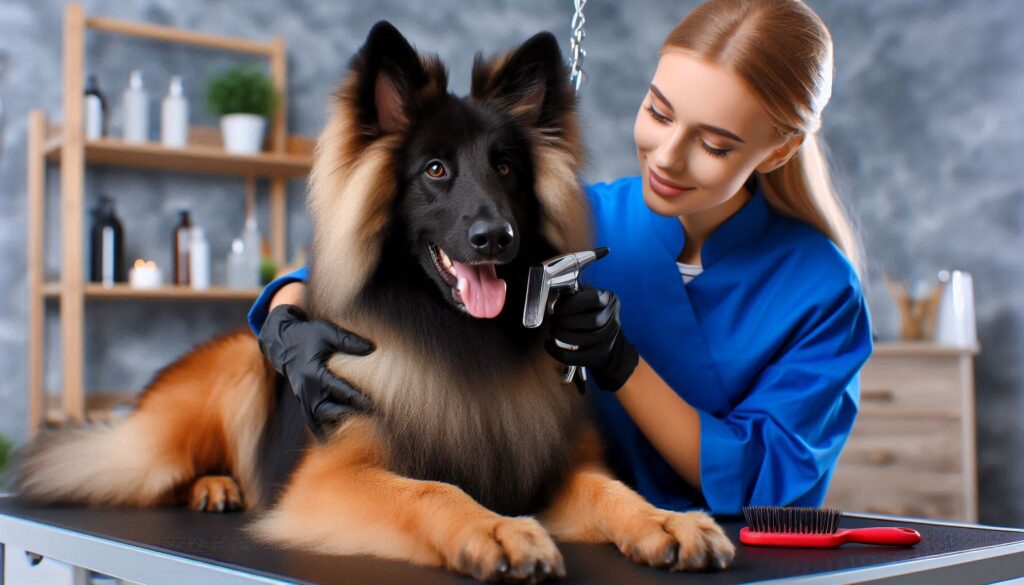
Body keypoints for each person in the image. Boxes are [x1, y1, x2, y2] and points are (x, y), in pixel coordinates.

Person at [250, 0, 871, 515]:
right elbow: (368, 267)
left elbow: (770, 483)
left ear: (778, 149)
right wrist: (284, 323)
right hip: (563, 535)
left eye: (713, 144)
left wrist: (621, 364)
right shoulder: (586, 219)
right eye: (658, 112)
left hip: (716, 554)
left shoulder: (822, 293)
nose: (667, 156)